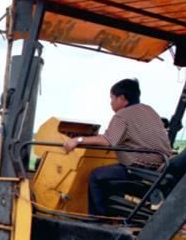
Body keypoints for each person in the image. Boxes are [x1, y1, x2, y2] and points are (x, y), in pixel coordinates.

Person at [63, 78, 172, 216]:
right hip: (160, 167)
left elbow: (107, 141)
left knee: (96, 176)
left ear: (122, 98)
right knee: (110, 172)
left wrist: (77, 140)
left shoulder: (122, 115)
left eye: (112, 98)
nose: (110, 103)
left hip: (139, 170)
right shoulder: (149, 110)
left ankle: (97, 220)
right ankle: (112, 214)